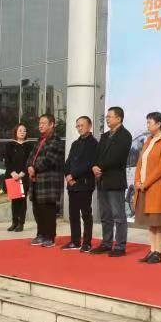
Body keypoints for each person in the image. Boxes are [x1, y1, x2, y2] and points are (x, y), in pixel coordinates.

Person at [90, 107, 132, 257]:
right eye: (106, 117)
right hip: (102, 180)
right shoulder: (105, 136)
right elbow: (97, 155)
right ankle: (106, 243)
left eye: (110, 116)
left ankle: (120, 246)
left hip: (115, 180)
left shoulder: (125, 135)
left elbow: (118, 157)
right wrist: (94, 166)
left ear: (119, 118)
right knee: (105, 214)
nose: (107, 119)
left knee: (118, 215)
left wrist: (100, 167)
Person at [133, 112, 161, 264]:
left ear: (158, 124)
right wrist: (137, 181)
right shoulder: (148, 140)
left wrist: (146, 183)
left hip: (157, 188)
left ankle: (158, 252)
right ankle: (152, 250)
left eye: (150, 122)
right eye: (147, 122)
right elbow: (140, 163)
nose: (147, 125)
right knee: (151, 222)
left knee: (159, 222)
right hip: (144, 187)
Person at [27, 114, 65, 248]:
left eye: (43, 123)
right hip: (36, 180)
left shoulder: (56, 140)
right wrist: (29, 166)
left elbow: (49, 160)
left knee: (48, 210)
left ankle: (50, 236)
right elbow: (31, 157)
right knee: (37, 209)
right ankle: (41, 234)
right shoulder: (40, 140)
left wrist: (34, 168)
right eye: (40, 123)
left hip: (48, 182)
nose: (40, 126)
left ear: (51, 124)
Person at [63, 116, 98, 251]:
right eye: (77, 126)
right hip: (72, 185)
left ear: (89, 126)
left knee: (86, 214)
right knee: (73, 214)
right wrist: (67, 175)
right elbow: (68, 162)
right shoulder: (75, 143)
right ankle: (75, 241)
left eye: (82, 125)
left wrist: (73, 175)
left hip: (85, 183)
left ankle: (87, 242)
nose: (79, 128)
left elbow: (89, 164)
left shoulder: (94, 144)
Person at [2, 123, 34, 232]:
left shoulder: (29, 146)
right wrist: (12, 173)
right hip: (12, 176)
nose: (22, 132)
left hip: (23, 176)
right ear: (15, 132)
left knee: (22, 200)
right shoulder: (10, 145)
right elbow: (7, 161)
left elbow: (30, 161)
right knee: (14, 200)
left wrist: (22, 173)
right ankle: (14, 222)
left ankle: (21, 223)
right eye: (20, 130)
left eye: (24, 131)